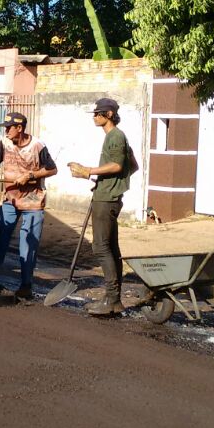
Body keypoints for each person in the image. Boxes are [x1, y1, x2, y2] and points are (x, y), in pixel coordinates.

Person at [66, 97, 138, 317]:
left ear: (108, 115)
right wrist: (107, 180)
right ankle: (113, 300)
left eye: (98, 114)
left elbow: (117, 165)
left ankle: (112, 299)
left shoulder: (115, 136)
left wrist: (88, 171)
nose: (95, 117)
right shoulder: (116, 137)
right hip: (108, 195)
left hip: (106, 200)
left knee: (100, 247)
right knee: (111, 248)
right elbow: (131, 166)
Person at [0, 111, 57, 300]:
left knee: (28, 244)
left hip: (33, 201)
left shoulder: (37, 145)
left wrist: (31, 175)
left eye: (9, 127)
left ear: (20, 128)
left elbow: (52, 169)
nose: (6, 130)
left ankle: (26, 285)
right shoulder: (5, 143)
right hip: (10, 199)